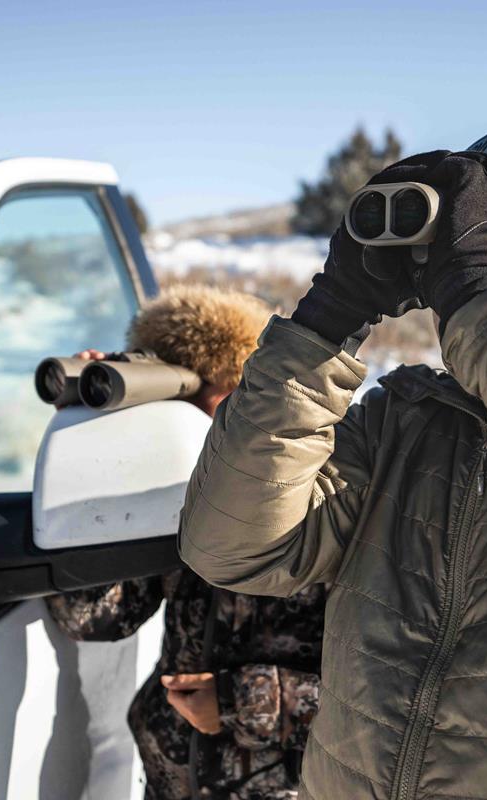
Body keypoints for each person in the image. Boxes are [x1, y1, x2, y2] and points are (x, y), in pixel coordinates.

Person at [179, 124, 487, 799]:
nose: (483, 271)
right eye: (471, 246)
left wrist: (483, 295)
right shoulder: (407, 416)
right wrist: (326, 322)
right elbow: (232, 549)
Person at [47, 284, 327, 800]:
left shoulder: (329, 497)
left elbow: (386, 700)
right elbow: (93, 618)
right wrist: (95, 444)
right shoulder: (180, 492)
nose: (191, 423)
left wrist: (239, 702)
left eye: (209, 399)